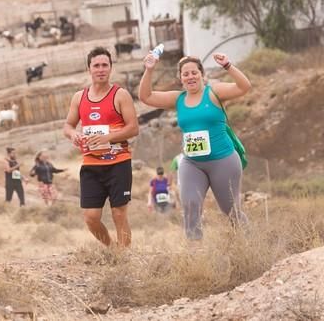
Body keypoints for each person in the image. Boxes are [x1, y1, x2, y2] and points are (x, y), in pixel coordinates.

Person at [138, 52, 252, 240]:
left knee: (230, 209)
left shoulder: (214, 93)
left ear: (201, 74)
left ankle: (249, 243)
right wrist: (149, 70)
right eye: (185, 74)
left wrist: (227, 65)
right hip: (192, 163)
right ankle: (195, 251)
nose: (190, 77)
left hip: (223, 161)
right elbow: (146, 96)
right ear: (180, 78)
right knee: (190, 204)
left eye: (194, 72)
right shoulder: (178, 99)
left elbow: (244, 86)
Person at [63, 46, 139, 247]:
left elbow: (133, 128)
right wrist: (74, 134)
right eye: (96, 65)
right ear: (89, 69)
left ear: (111, 68)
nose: (101, 69)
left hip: (119, 162)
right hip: (91, 164)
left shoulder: (120, 95)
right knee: (91, 217)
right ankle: (112, 248)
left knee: (119, 213)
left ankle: (124, 258)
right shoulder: (79, 97)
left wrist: (108, 138)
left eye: (105, 65)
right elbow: (68, 125)